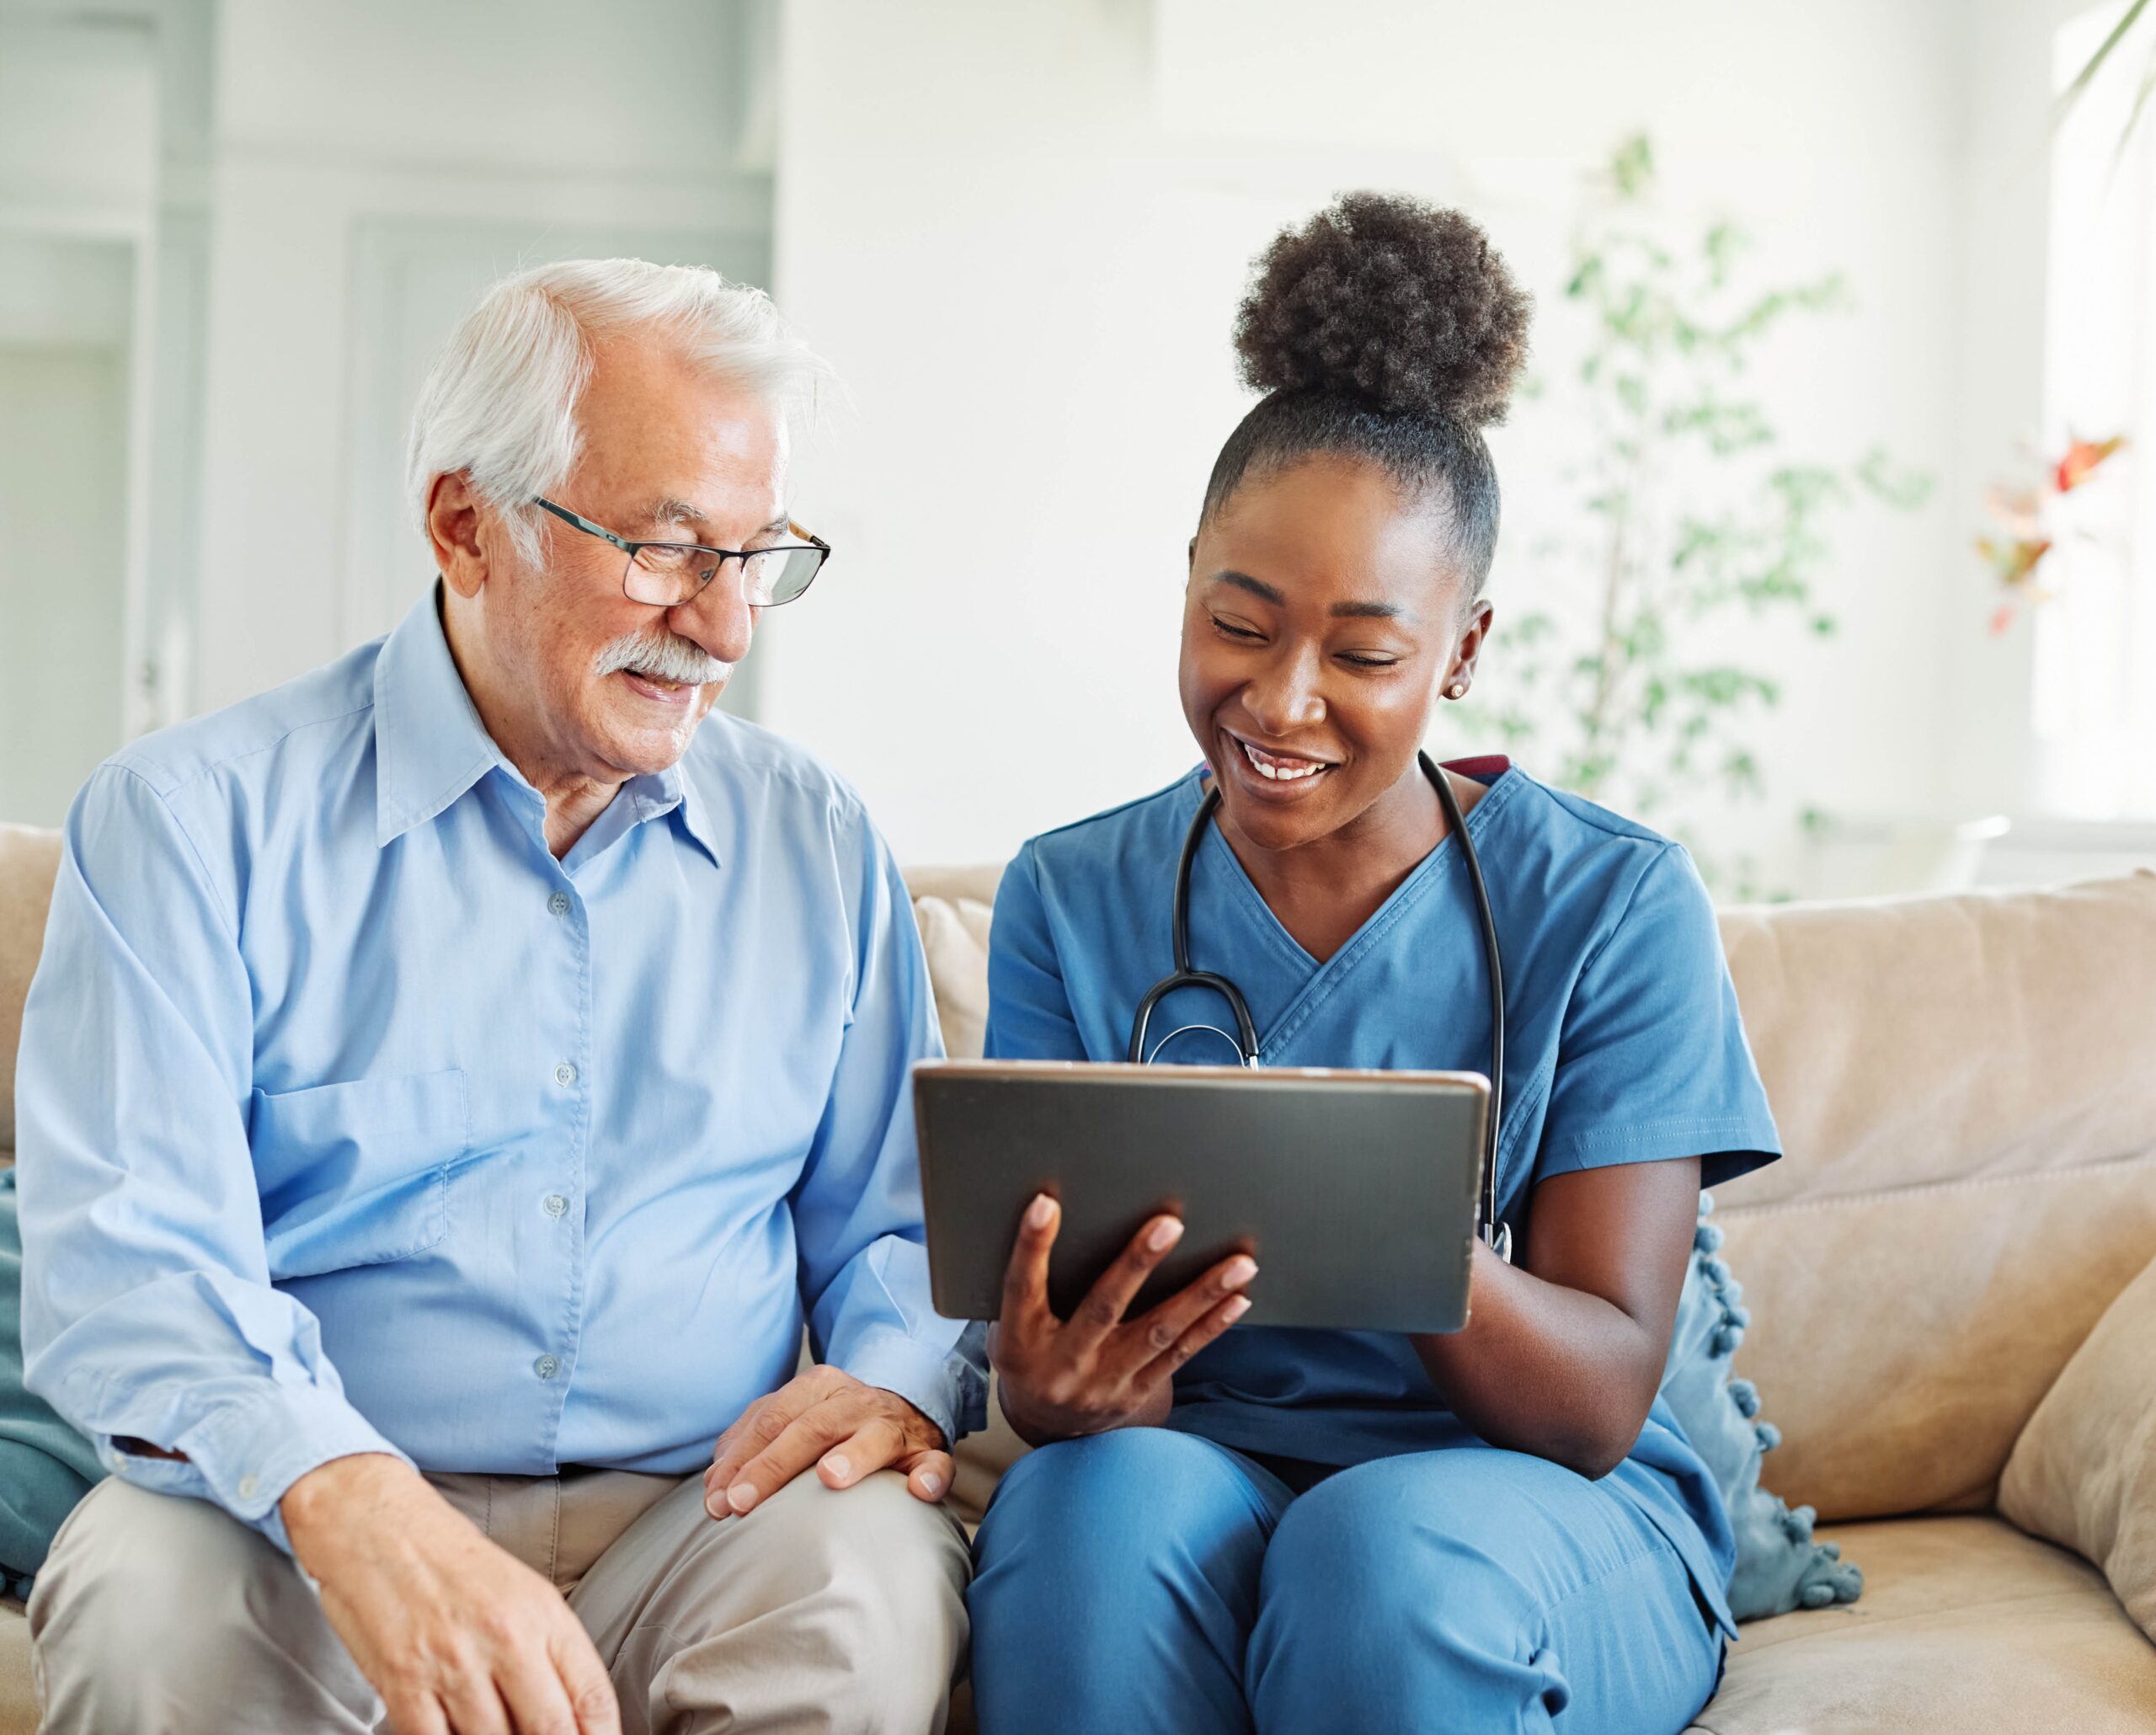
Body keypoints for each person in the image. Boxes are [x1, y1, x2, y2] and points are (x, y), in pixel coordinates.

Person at [16, 259, 985, 1735]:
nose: (725, 629)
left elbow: (906, 1229)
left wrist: (896, 1374)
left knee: (867, 1582)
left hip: (700, 1515)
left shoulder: (820, 843)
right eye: (665, 551)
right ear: (466, 524)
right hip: (304, 1511)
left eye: (757, 555)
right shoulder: (188, 823)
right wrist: (348, 1498)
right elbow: (135, 1270)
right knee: (149, 1604)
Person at [965, 194, 1783, 1734]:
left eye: (1362, 652)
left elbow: (1601, 1398)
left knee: (1376, 1550)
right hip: (1201, 1475)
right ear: (1191, 578)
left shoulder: (1612, 904)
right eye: (1240, 622)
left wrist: (1379, 1207)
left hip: (1537, 1511)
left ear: (1462, 652)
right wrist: (1061, 1395)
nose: (1279, 702)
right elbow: (1047, 1368)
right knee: (1083, 1517)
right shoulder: (1071, 897)